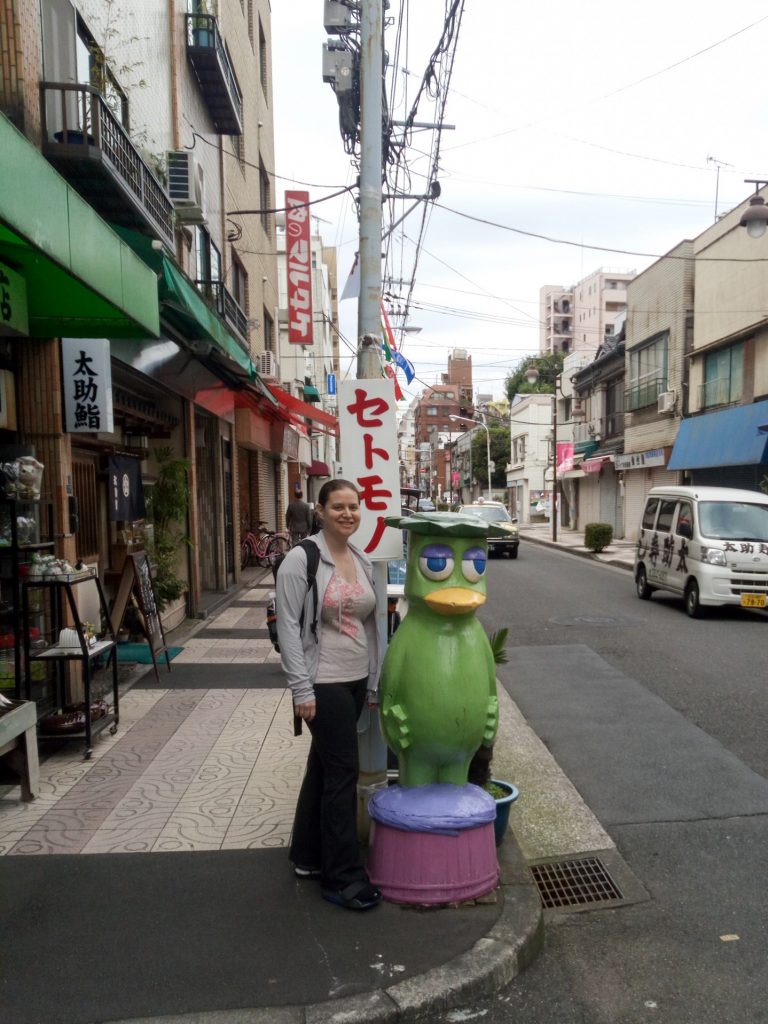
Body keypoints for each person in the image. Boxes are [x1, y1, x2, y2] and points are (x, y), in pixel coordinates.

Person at [276, 479, 383, 911]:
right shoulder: (300, 560)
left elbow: (374, 624)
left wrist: (373, 682)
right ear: (319, 511)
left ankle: (306, 856)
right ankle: (342, 877)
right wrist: (301, 689)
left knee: (322, 768)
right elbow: (287, 627)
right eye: (337, 507)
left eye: (354, 507)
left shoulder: (360, 556)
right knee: (343, 775)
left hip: (357, 679)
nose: (347, 514)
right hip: (324, 682)